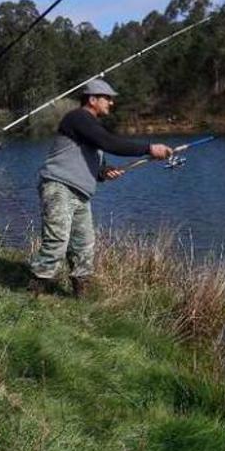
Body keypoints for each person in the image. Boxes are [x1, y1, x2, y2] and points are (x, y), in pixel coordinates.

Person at [28, 79, 173, 298]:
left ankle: (80, 294)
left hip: (81, 194)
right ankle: (34, 290)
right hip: (59, 187)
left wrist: (103, 172)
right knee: (57, 240)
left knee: (84, 245)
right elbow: (109, 142)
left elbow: (95, 161)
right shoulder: (78, 118)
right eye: (107, 98)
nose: (111, 103)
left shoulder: (91, 127)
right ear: (92, 100)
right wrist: (149, 148)